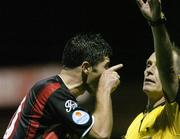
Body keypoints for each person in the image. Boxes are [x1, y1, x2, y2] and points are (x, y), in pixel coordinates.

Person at [3, 33, 123, 139]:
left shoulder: (60, 96)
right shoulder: (51, 91)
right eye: (106, 66)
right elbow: (101, 134)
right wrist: (104, 89)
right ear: (86, 68)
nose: (108, 73)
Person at [123, 0, 180, 138]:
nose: (150, 70)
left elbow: (167, 70)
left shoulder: (174, 115)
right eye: (148, 65)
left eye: (158, 66)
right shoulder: (134, 123)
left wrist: (156, 22)